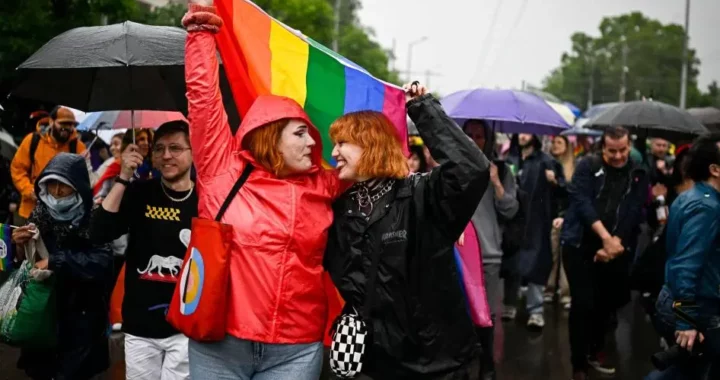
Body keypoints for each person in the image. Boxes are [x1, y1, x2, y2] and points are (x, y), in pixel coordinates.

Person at [182, 3, 345, 379]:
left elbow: (372, 157)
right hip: (218, 346)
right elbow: (203, 99)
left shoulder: (326, 185)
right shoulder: (222, 170)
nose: (313, 144)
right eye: (301, 133)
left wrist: (420, 113)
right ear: (271, 135)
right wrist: (201, 28)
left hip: (297, 351)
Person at [324, 83, 490, 379]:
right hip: (372, 363)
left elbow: (471, 169)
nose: (334, 151)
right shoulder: (341, 210)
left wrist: (424, 108)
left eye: (342, 143)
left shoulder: (422, 195)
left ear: (371, 144)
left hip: (435, 364)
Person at [91, 121, 196, 380]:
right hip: (140, 325)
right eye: (159, 149)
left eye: (175, 148)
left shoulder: (206, 199)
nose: (166, 155)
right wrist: (123, 176)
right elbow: (99, 232)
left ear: (193, 151)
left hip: (186, 327)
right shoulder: (139, 192)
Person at [12, 153, 113, 380]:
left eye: (64, 186)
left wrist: (56, 261)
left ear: (78, 187)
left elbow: (102, 264)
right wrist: (18, 247)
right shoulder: (38, 217)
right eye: (51, 184)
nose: (57, 192)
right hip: (42, 318)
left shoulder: (93, 220)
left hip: (82, 323)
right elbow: (25, 265)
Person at [560, 127, 649, 380]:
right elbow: (581, 202)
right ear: (603, 147)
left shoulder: (638, 171)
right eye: (612, 151)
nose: (619, 156)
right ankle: (578, 364)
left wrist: (615, 242)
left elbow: (634, 208)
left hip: (616, 247)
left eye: (623, 150)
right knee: (583, 303)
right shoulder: (587, 165)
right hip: (580, 244)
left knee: (606, 305)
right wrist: (606, 238)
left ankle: (593, 351)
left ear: (629, 146)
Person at [651, 133, 720, 379]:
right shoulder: (707, 207)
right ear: (715, 169)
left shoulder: (694, 196)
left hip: (682, 301)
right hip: (697, 308)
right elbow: (686, 265)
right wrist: (686, 321)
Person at [462, 119, 519, 379]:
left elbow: (511, 209)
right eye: (469, 134)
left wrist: (496, 182)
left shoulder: (502, 170)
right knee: (458, 311)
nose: (474, 139)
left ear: (488, 138)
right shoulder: (452, 166)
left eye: (480, 135)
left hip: (488, 253)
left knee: (487, 315)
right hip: (457, 254)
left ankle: (487, 365)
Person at [503, 133, 565, 329]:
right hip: (512, 221)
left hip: (538, 220)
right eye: (520, 132)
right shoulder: (509, 160)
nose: (523, 136)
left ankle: (536, 310)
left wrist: (555, 182)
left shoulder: (547, 162)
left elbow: (564, 191)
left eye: (527, 132)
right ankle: (509, 304)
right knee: (511, 262)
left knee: (537, 263)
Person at [11, 106, 86, 225]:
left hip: (62, 216)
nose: (67, 127)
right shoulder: (32, 140)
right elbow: (18, 169)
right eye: (63, 123)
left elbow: (83, 181)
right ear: (51, 121)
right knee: (19, 242)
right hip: (30, 210)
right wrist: (29, 190)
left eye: (71, 124)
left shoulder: (78, 147)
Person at [545, 135, 575, 309]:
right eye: (553, 142)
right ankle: (548, 289)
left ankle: (565, 292)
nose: (555, 145)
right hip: (549, 216)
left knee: (564, 257)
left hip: (565, 217)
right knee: (551, 254)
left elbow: (571, 195)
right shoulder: (547, 164)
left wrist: (556, 182)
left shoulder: (572, 168)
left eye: (559, 143)